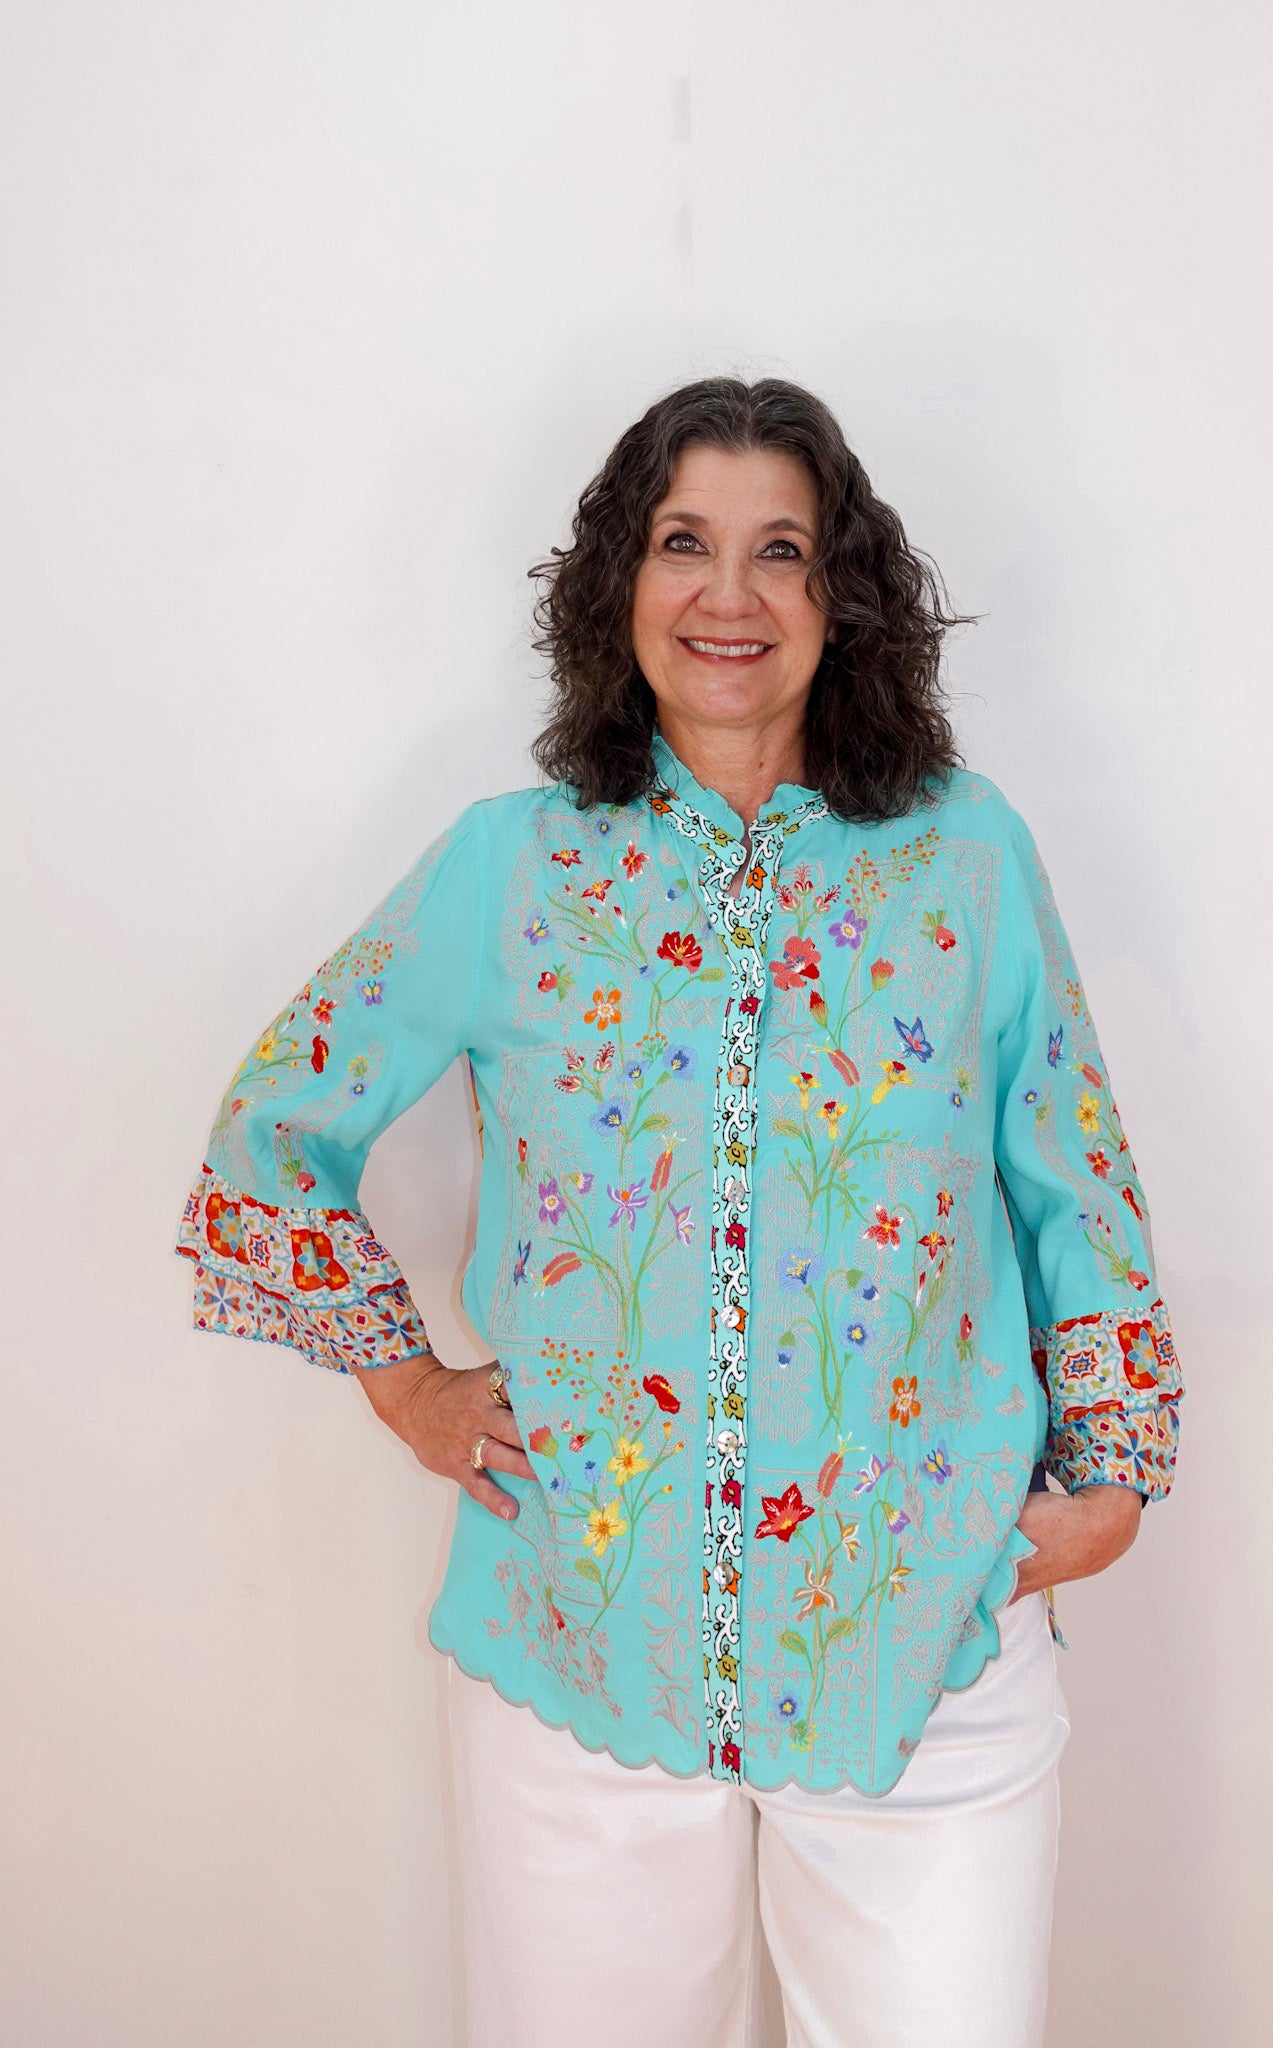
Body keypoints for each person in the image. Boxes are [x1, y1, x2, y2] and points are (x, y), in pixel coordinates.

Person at [176, 376, 1184, 2047]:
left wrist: (1116, 1479)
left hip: (924, 1642)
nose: (731, 595)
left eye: (781, 551)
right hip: (576, 1652)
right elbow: (270, 1132)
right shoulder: (513, 869)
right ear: (618, 588)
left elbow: (1071, 1172)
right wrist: (409, 1386)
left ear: (839, 598)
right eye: (683, 544)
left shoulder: (965, 861)